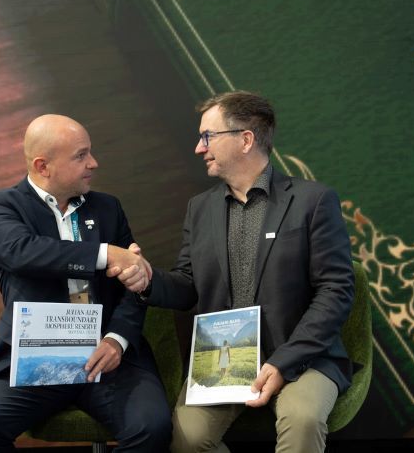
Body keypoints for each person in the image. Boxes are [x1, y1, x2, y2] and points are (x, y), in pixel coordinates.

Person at [114, 91, 355, 453]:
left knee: (302, 419)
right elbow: (188, 285)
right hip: (224, 361)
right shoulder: (200, 208)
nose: (199, 148)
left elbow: (335, 291)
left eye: (207, 136)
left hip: (303, 356)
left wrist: (283, 361)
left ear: (245, 140)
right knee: (187, 438)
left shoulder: (312, 201)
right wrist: (146, 280)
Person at [0, 114, 170, 452]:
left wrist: (117, 340)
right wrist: (106, 254)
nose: (93, 163)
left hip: (107, 357)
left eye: (90, 152)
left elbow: (134, 287)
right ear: (43, 166)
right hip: (36, 359)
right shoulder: (1, 206)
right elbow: (21, 252)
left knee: (152, 427)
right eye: (81, 155)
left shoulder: (108, 207)